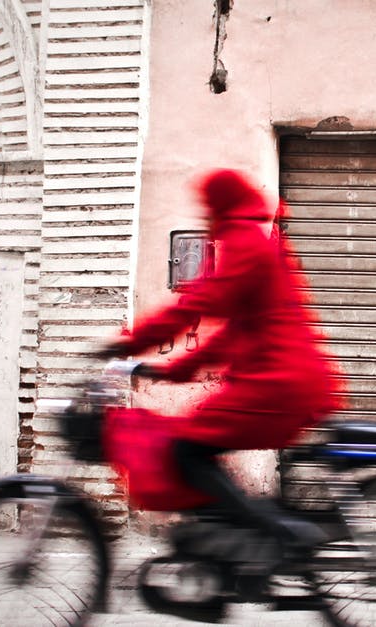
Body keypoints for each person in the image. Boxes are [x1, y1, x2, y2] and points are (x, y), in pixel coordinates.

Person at [101, 168, 340, 551]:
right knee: (198, 446)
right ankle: (236, 539)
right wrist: (175, 370)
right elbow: (233, 332)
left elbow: (201, 302)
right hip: (285, 381)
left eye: (208, 208)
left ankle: (266, 539)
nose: (206, 217)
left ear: (220, 205)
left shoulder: (246, 243)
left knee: (185, 448)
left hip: (279, 384)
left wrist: (129, 343)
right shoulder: (253, 241)